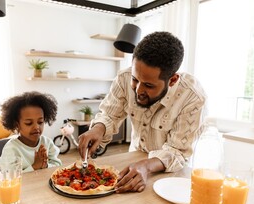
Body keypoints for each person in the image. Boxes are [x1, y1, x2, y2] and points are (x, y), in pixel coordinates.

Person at [78, 31, 206, 193]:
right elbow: (110, 114)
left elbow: (178, 151)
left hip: (171, 175)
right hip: (135, 163)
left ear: (172, 80)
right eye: (135, 79)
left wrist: (147, 166)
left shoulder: (192, 97)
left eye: (149, 85)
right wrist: (98, 128)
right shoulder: (123, 78)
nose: (138, 90)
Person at [0, 91, 62, 172]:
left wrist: (45, 165)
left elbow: (57, 165)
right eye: (29, 123)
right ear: (17, 125)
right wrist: (35, 166)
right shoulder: (12, 149)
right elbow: (10, 177)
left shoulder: (47, 143)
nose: (36, 127)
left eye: (40, 122)